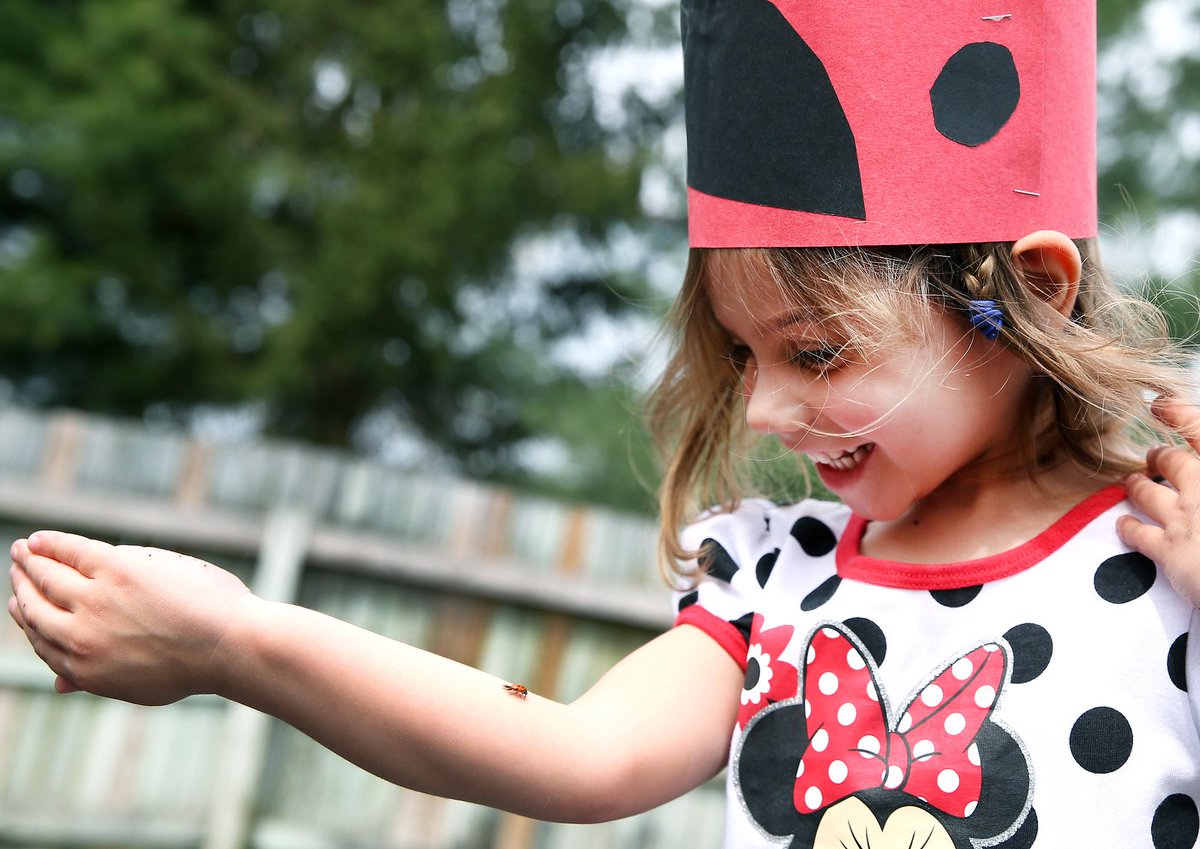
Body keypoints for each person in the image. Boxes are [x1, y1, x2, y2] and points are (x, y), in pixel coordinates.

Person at [8, 1, 1200, 848]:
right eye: (743, 354)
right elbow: (577, 756)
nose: (768, 409)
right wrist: (240, 645)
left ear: (1027, 295)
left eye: (816, 351)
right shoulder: (775, 583)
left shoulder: (1169, 556)